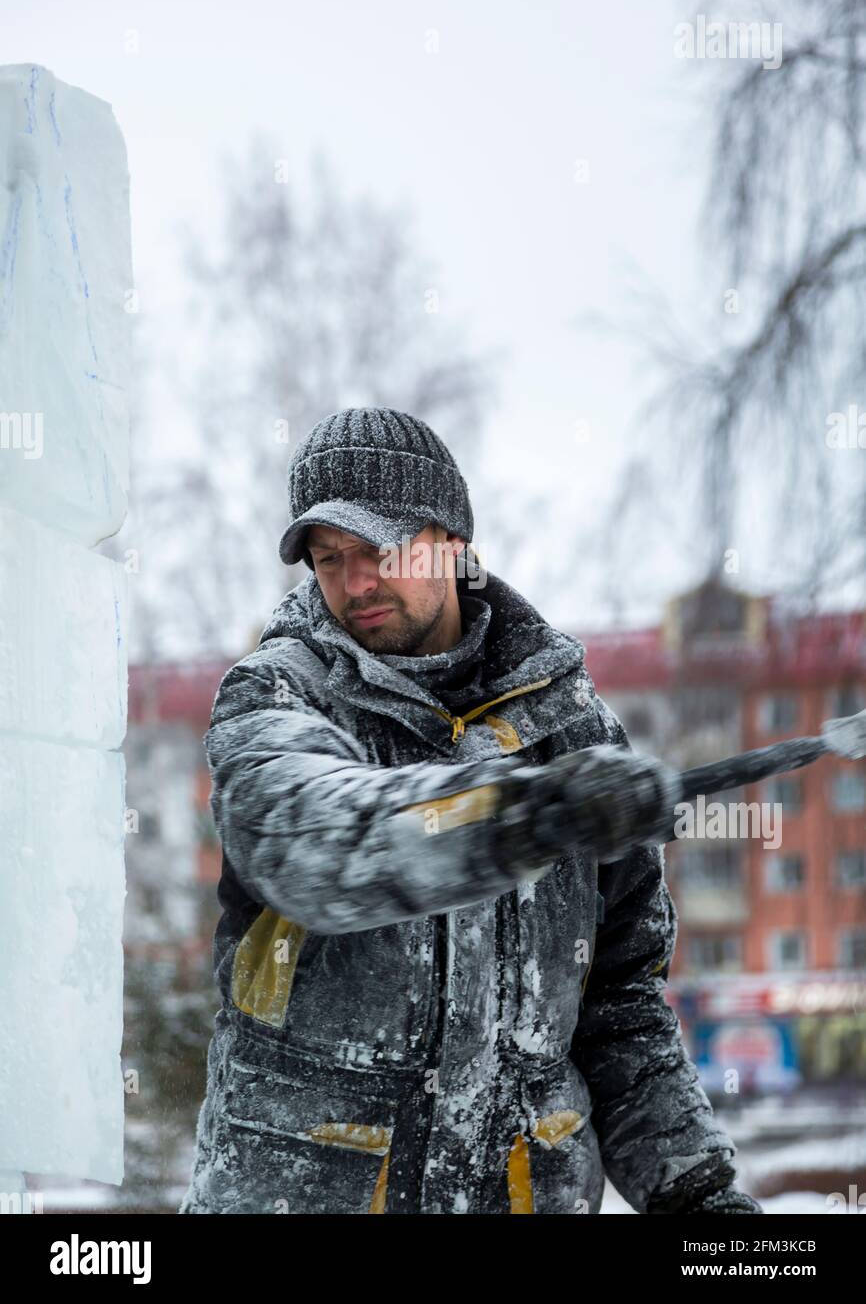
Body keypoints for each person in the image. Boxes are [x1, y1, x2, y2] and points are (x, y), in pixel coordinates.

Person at [179, 406, 761, 1215]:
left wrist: (703, 1202)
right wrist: (534, 817)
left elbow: (619, 1013)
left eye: (378, 549)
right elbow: (318, 840)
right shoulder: (276, 695)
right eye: (328, 559)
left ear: (452, 540)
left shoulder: (570, 728)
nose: (354, 583)